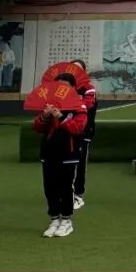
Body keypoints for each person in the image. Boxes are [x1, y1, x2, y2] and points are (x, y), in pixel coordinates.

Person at [32, 74, 87, 238]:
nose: (60, 90)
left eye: (65, 86)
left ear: (73, 88)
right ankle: (54, 219)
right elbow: (37, 127)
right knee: (50, 187)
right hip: (49, 152)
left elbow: (78, 128)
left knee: (65, 186)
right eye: (57, 87)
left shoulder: (79, 106)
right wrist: (45, 116)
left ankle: (66, 221)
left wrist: (61, 117)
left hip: (69, 153)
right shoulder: (49, 104)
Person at [71, 59, 96, 211]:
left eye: (79, 69)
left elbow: (87, 107)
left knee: (80, 164)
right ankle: (67, 191)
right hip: (67, 132)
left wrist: (72, 98)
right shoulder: (63, 88)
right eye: (72, 68)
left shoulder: (89, 89)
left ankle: (78, 194)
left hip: (83, 131)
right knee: (66, 163)